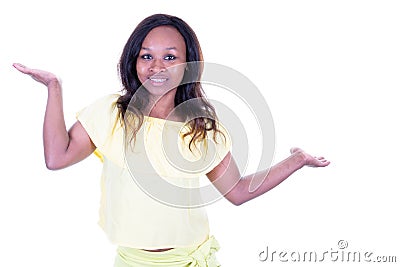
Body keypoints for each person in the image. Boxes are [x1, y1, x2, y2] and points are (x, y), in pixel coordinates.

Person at [13, 13, 330, 267]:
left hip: (190, 259)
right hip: (132, 261)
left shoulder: (202, 127)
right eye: (146, 55)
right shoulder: (111, 113)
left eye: (170, 57)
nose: (156, 67)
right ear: (133, 61)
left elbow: (237, 191)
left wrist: (297, 160)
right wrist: (54, 87)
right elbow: (57, 157)